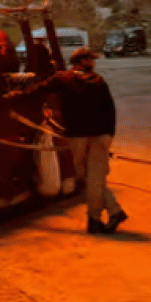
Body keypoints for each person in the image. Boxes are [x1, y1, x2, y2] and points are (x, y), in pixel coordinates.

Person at [45, 47, 127, 235]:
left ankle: (95, 219)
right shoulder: (96, 81)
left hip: (81, 136)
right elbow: (110, 110)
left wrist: (12, 97)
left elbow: (38, 90)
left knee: (89, 177)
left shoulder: (64, 79)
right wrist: (109, 135)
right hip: (98, 135)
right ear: (81, 61)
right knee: (92, 178)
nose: (93, 63)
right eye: (90, 59)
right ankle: (112, 211)